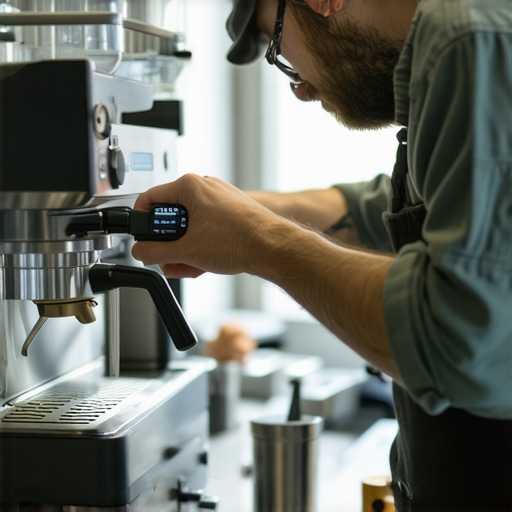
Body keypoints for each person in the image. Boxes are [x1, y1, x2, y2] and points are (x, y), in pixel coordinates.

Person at [132, 0, 512, 510]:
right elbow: (385, 208)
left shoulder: (467, 35)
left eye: (279, 50)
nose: (301, 88)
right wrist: (229, 213)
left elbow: (453, 337)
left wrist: (254, 239)